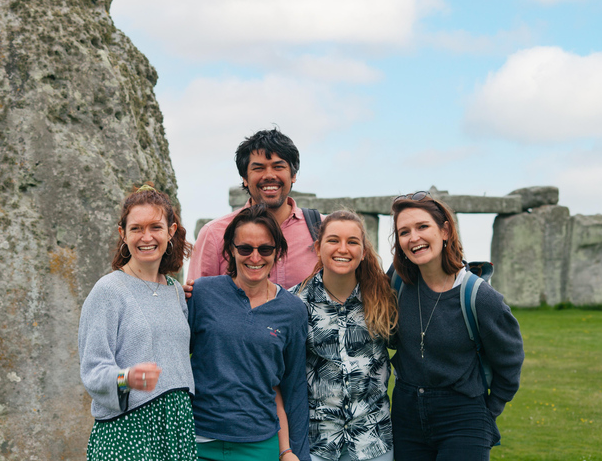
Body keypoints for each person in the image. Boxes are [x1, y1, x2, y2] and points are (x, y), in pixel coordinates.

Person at [388, 191, 524, 461]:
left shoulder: (480, 296)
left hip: (463, 414)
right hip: (406, 412)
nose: (413, 237)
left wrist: (489, 409)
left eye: (422, 226)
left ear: (446, 230)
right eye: (404, 232)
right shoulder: (396, 282)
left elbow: (510, 360)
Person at [78, 183, 196, 461]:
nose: (146, 237)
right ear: (123, 234)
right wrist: (126, 377)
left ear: (171, 230)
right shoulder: (109, 290)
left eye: (155, 227)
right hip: (129, 431)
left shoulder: (176, 291)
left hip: (177, 429)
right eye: (136, 228)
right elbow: (93, 370)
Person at [188, 204, 311, 461]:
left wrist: (293, 452)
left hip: (259, 444)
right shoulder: (201, 294)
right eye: (245, 248)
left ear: (277, 252)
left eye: (265, 249)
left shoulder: (293, 310)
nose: (255, 258)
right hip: (198, 439)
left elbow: (294, 386)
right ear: (230, 251)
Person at [292, 211, 399, 461]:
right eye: (333, 240)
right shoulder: (295, 302)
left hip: (373, 441)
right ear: (318, 248)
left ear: (363, 251)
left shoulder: (384, 298)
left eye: (352, 242)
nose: (343, 249)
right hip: (316, 443)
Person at [188, 128, 320, 288]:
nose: (269, 175)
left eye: (278, 167)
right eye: (258, 168)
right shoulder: (215, 235)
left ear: (293, 175)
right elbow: (197, 301)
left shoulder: (323, 230)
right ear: (244, 178)